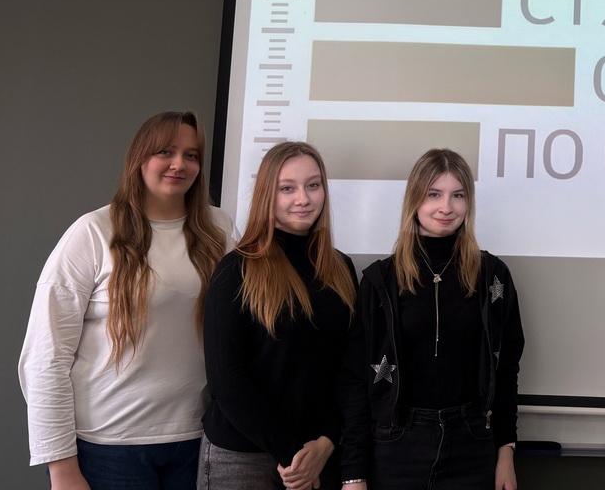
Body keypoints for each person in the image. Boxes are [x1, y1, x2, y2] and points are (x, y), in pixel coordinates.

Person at [19, 111, 238, 490]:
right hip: (107, 448)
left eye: (191, 155)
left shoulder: (220, 230)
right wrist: (60, 466)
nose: (179, 164)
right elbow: (45, 357)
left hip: (197, 441)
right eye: (165, 152)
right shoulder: (92, 232)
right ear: (139, 158)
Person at [339, 148, 525, 490]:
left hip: (472, 445)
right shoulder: (380, 280)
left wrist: (505, 453)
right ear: (414, 200)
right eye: (434, 194)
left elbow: (506, 369)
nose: (446, 207)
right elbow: (355, 379)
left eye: (458, 195)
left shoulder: (493, 276)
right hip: (395, 446)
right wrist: (354, 474)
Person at [200, 141, 357, 490]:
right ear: (267, 195)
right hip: (243, 457)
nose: (303, 199)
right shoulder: (237, 269)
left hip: (319, 454)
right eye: (287, 188)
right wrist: (293, 455)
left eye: (313, 185)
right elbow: (227, 381)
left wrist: (327, 441)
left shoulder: (341, 268)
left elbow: (349, 370)